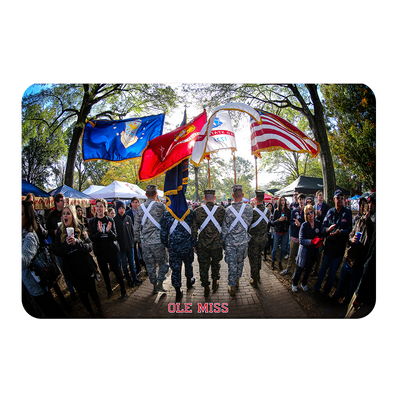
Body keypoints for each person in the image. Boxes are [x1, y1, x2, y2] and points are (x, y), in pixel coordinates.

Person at [55, 205, 106, 321]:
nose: (65, 216)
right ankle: (91, 313)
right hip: (72, 270)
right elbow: (57, 252)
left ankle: (100, 308)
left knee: (92, 290)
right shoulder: (59, 232)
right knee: (82, 294)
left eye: (68, 213)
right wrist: (66, 245)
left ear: (72, 216)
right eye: (63, 214)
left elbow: (89, 246)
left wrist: (77, 242)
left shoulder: (80, 228)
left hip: (85, 267)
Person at [19, 200, 67, 321]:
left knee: (51, 310)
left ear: (28, 216)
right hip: (25, 285)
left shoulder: (29, 236)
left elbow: (24, 261)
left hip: (36, 284)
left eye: (20, 214)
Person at [332, 195, 374, 304]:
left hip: (359, 265)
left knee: (351, 292)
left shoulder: (372, 225)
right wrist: (352, 239)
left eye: (366, 205)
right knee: (340, 287)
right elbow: (350, 235)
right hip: (349, 260)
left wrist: (368, 220)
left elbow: (370, 242)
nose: (363, 208)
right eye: (362, 205)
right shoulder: (358, 220)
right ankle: (333, 304)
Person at [312, 189, 352, 301]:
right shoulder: (330, 212)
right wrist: (328, 230)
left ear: (343, 200)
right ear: (334, 199)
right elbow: (323, 228)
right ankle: (316, 288)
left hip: (339, 249)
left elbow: (349, 229)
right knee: (322, 270)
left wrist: (341, 232)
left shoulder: (347, 213)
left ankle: (326, 292)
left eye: (341, 198)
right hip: (328, 247)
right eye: (337, 198)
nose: (339, 200)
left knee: (332, 273)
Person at [89, 198, 127, 300]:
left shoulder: (110, 220)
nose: (99, 208)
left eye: (101, 206)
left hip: (111, 251)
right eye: (97, 206)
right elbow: (92, 238)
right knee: (105, 274)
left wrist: (109, 231)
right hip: (100, 252)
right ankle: (109, 291)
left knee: (117, 272)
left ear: (105, 208)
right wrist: (99, 232)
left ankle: (123, 291)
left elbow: (115, 237)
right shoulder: (92, 221)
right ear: (95, 208)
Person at [134, 185, 169, 294]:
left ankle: (154, 286)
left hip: (145, 243)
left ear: (145, 195)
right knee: (164, 263)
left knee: (150, 265)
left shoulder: (139, 208)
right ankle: (160, 282)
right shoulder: (161, 206)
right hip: (158, 241)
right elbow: (167, 222)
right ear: (155, 194)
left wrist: (138, 241)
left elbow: (136, 228)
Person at [191, 189, 226, 297]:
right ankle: (215, 281)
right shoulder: (221, 210)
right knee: (216, 264)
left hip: (202, 245)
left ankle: (206, 286)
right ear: (214, 198)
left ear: (204, 198)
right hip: (217, 244)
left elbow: (194, 230)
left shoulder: (197, 211)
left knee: (203, 267)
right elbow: (225, 228)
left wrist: (194, 244)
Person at [221, 185, 253, 296]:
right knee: (240, 262)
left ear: (233, 195)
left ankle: (232, 285)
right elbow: (249, 224)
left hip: (231, 242)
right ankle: (238, 280)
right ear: (243, 195)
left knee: (232, 264)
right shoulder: (249, 208)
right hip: (243, 241)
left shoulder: (228, 210)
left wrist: (223, 243)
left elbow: (224, 229)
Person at [160, 206, 196, 302]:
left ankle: (178, 291)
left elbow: (163, 233)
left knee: (175, 270)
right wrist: (194, 243)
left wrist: (167, 244)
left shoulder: (167, 214)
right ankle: (189, 281)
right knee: (188, 264)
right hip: (187, 246)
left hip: (174, 247)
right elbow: (195, 228)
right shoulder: (190, 213)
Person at [46, 193, 77, 299]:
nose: (64, 202)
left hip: (70, 244)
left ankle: (78, 287)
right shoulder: (51, 215)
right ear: (56, 202)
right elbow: (46, 230)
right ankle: (71, 291)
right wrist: (54, 231)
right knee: (64, 270)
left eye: (64, 200)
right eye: (62, 200)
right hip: (58, 247)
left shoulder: (68, 212)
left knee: (73, 267)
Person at [292, 205, 323, 292]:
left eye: (312, 212)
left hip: (313, 252)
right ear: (306, 215)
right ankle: (294, 283)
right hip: (304, 252)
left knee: (309, 269)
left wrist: (320, 240)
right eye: (308, 213)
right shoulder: (304, 225)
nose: (310, 214)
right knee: (300, 269)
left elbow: (321, 234)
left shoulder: (318, 224)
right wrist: (312, 241)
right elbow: (301, 241)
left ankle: (304, 283)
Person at [114, 200, 142, 287]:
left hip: (130, 246)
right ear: (117, 209)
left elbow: (132, 231)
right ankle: (129, 280)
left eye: (123, 208)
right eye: (119, 208)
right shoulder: (114, 220)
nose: (121, 210)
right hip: (121, 248)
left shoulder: (128, 218)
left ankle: (135, 279)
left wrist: (135, 242)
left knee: (132, 264)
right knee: (125, 266)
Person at [248, 190, 270, 287]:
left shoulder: (253, 212)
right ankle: (259, 274)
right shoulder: (268, 211)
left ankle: (254, 278)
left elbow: (249, 226)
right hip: (263, 239)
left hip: (254, 240)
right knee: (259, 257)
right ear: (264, 198)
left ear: (255, 199)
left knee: (253, 259)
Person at [281, 193, 306, 276]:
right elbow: (290, 222)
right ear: (297, 200)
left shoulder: (307, 211)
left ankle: (296, 271)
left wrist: (301, 224)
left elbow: (308, 223)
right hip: (294, 236)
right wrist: (295, 224)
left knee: (299, 256)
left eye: (302, 199)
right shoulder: (294, 211)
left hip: (303, 237)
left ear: (304, 200)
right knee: (291, 255)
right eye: (300, 199)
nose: (301, 201)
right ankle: (288, 269)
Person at [126, 196, 146, 276]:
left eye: (136, 202)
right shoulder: (128, 213)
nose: (134, 204)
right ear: (131, 203)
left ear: (139, 203)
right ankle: (138, 268)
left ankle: (146, 268)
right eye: (133, 202)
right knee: (134, 253)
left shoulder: (142, 212)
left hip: (141, 235)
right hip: (132, 236)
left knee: (143, 252)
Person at [270, 196, 291, 270]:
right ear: (279, 202)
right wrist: (279, 220)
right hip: (277, 232)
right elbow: (273, 222)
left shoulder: (288, 211)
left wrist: (286, 219)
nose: (283, 202)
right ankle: (272, 262)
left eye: (284, 200)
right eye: (281, 200)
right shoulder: (276, 211)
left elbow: (290, 222)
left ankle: (280, 262)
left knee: (283, 248)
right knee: (275, 248)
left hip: (285, 232)